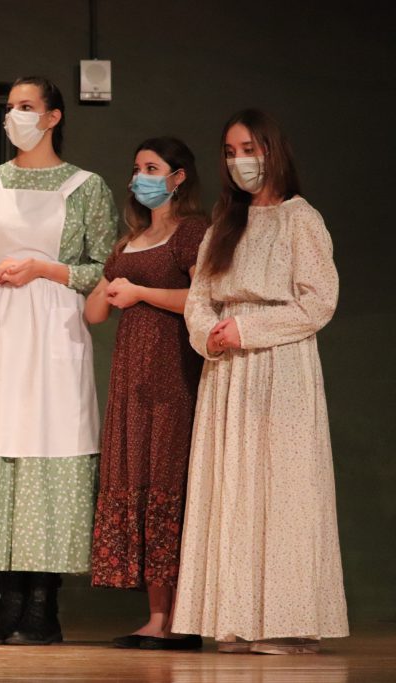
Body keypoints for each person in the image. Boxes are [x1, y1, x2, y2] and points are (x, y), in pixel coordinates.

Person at [0, 76, 117, 645]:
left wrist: (48, 270)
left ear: (54, 117)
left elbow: (106, 268)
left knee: (47, 449)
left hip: (55, 333)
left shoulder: (86, 187)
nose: (16, 116)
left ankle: (44, 606)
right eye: (11, 108)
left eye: (27, 107)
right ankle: (8, 603)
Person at [173, 109, 349, 654]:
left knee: (284, 491)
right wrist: (211, 334)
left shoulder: (302, 220)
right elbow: (199, 297)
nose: (239, 161)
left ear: (272, 151)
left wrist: (246, 328)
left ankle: (288, 622)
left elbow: (318, 301)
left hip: (280, 364)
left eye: (248, 149)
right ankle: (235, 617)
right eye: (229, 152)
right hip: (227, 372)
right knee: (231, 489)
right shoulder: (225, 224)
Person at [84, 137, 208, 651]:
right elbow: (94, 315)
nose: (140, 177)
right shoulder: (129, 241)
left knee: (168, 486)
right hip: (130, 385)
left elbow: (201, 301)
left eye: (152, 168)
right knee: (138, 483)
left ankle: (181, 617)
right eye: (136, 168)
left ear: (178, 177)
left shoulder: (192, 232)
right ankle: (156, 617)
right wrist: (108, 284)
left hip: (172, 376)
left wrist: (140, 292)